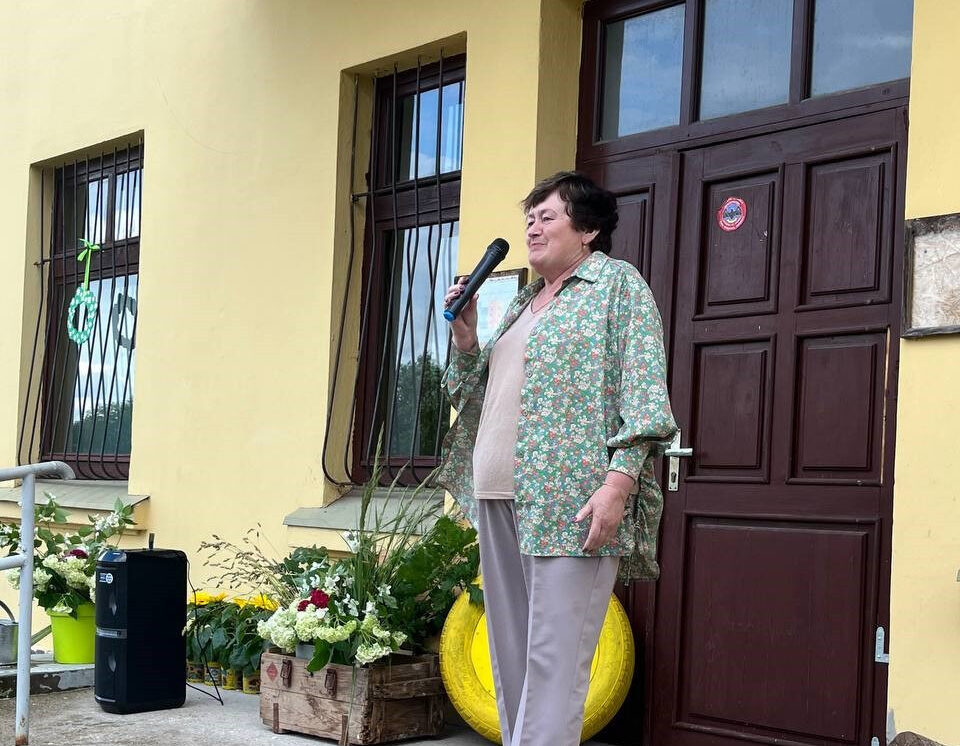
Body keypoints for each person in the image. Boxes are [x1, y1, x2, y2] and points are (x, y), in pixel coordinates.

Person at [438, 171, 677, 746]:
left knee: (555, 662)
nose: (533, 228)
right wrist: (467, 339)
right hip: (497, 494)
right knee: (510, 655)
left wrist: (618, 484)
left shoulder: (616, 286)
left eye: (548, 217)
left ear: (588, 229)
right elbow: (473, 394)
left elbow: (645, 393)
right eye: (529, 218)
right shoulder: (523, 303)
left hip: (571, 498)